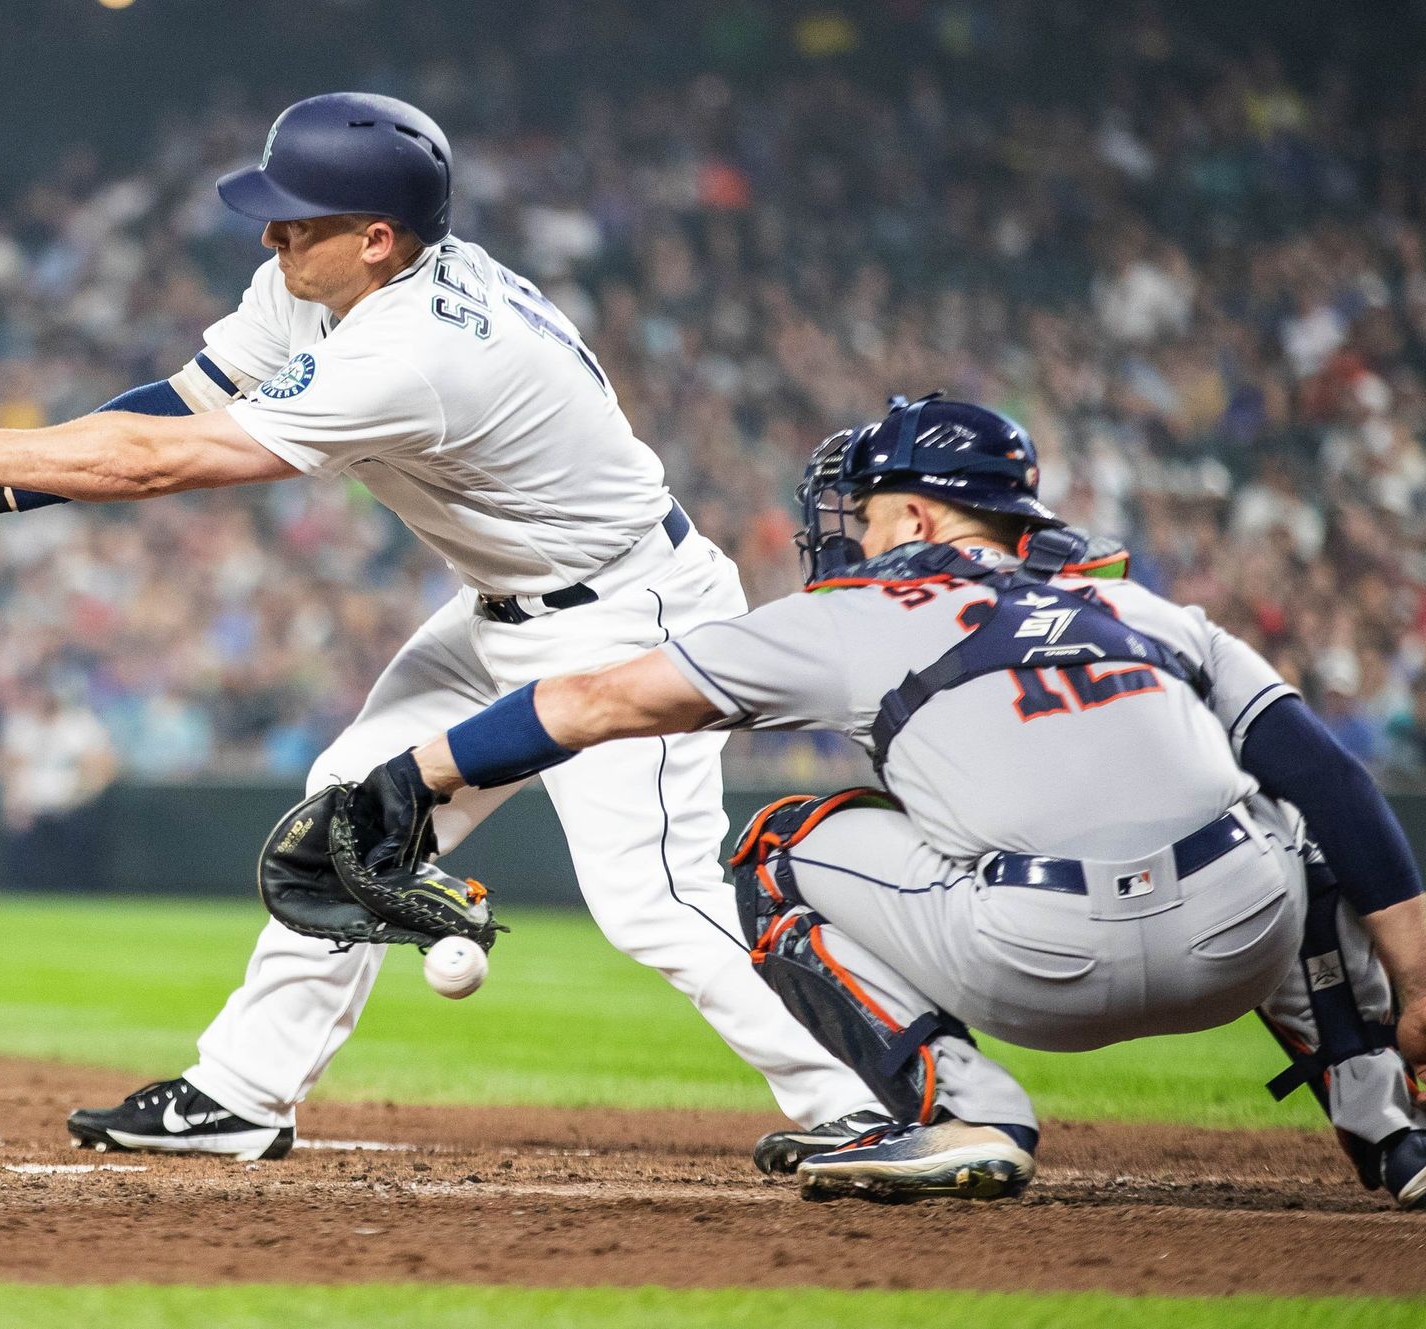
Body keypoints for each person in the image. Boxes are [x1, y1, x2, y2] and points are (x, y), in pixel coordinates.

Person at [0, 91, 880, 1158]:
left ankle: (883, 1099)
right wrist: (5, 488)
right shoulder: (323, 280)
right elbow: (183, 405)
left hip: (628, 613)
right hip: (502, 609)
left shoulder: (418, 351)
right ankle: (242, 1093)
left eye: (297, 217)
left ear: (377, 239)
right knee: (348, 819)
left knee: (651, 897)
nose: (271, 233)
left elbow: (168, 465)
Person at [347, 395, 1426, 1205]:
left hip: (1038, 961)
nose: (852, 534)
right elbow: (1333, 779)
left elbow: (590, 700)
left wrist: (411, 778)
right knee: (1282, 823)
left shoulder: (852, 615)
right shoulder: (1142, 604)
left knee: (774, 846)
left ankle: (961, 1111)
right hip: (1239, 941)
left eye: (861, 513)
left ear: (915, 511)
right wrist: (1419, 985)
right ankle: (1391, 1130)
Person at [0, 679, 118, 891]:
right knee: (25, 861)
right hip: (32, 806)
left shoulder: (81, 725)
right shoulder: (21, 725)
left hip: (73, 806)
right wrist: (13, 803)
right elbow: (10, 769)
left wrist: (82, 794)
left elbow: (101, 767)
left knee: (79, 855)